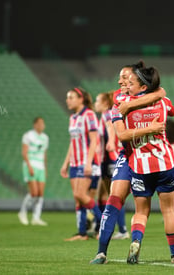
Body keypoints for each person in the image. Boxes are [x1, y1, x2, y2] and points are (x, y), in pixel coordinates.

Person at [90, 61, 174, 265]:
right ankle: (102, 252)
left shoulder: (137, 100)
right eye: (122, 78)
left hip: (143, 159)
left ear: (140, 83)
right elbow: (162, 100)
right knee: (115, 200)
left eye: (127, 78)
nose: (122, 81)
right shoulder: (121, 100)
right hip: (131, 157)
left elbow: (161, 93)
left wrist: (133, 104)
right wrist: (138, 110)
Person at [60, 87, 102, 241]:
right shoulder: (73, 118)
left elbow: (94, 141)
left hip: (86, 162)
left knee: (81, 194)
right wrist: (65, 164)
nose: (68, 100)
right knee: (77, 198)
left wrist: (89, 163)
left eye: (71, 97)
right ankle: (82, 233)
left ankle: (103, 223)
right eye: (67, 97)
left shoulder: (89, 115)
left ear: (80, 99)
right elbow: (73, 143)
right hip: (75, 163)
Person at [94, 91, 129, 240]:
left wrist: (110, 141)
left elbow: (110, 127)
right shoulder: (104, 115)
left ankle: (122, 229)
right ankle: (101, 226)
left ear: (105, 103)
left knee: (113, 196)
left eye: (97, 100)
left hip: (111, 157)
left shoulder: (108, 114)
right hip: (105, 158)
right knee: (103, 194)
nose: (95, 104)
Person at [18, 117, 49, 226]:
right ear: (35, 124)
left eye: (43, 123)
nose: (42, 125)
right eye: (39, 123)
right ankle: (22, 212)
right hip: (30, 164)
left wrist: (45, 168)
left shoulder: (45, 138)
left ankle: (36, 217)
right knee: (33, 192)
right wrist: (29, 166)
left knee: (40, 193)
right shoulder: (28, 135)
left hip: (41, 166)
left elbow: (44, 154)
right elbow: (24, 153)